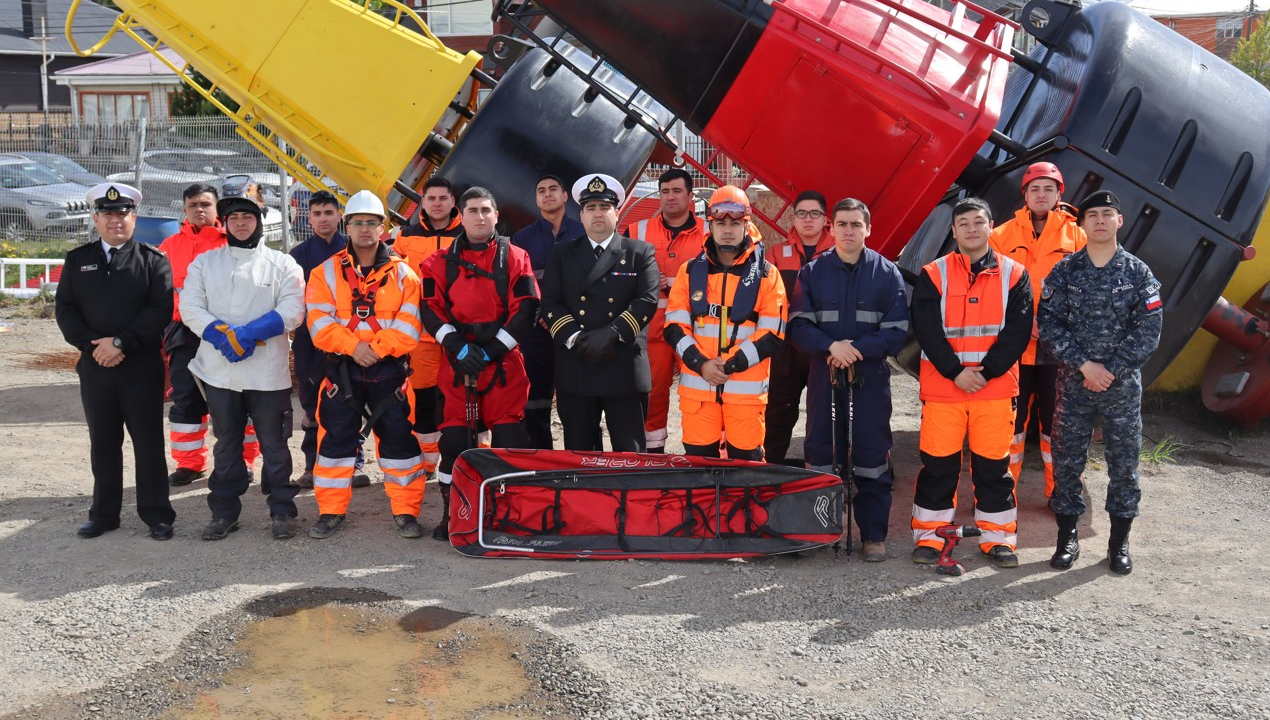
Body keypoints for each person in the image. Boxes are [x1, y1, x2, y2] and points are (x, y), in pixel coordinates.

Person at [1039, 190, 1162, 575]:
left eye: (1108, 214)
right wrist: (1084, 366)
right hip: (1074, 385)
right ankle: (1067, 538)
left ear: (1119, 221)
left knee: (1124, 465)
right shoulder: (1065, 271)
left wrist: (1110, 370)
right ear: (1082, 224)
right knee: (1066, 462)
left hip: (1121, 387)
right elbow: (1049, 324)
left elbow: (1149, 329)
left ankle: (1118, 542)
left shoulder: (1138, 273)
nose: (1100, 220)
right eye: (1092, 215)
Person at [910, 197, 1032, 568]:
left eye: (978, 222)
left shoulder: (1015, 274)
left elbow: (1018, 332)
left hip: (994, 391)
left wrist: (985, 372)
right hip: (944, 391)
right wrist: (956, 372)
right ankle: (930, 538)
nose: (971, 229)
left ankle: (998, 540)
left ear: (991, 226)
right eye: (963, 223)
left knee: (994, 469)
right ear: (954, 231)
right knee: (938, 468)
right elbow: (926, 330)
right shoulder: (934, 273)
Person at [180, 189, 306, 540]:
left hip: (267, 374)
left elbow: (293, 309)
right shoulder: (205, 263)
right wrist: (222, 336)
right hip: (219, 372)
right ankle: (224, 512)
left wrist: (249, 334)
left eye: (247, 217)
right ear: (225, 222)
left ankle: (282, 510)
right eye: (233, 218)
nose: (240, 223)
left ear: (259, 222)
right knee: (226, 444)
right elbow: (190, 306)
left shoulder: (283, 264)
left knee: (275, 445)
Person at [787, 198, 908, 562]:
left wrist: (855, 350)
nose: (849, 230)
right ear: (832, 228)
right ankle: (819, 530)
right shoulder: (812, 272)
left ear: (868, 229)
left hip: (869, 377)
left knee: (871, 454)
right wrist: (831, 347)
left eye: (856, 224)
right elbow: (797, 326)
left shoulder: (887, 273)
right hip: (824, 375)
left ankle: (873, 536)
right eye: (842, 224)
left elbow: (897, 331)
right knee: (822, 452)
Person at [55, 183, 175, 540]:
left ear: (134, 218)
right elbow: (66, 309)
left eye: (122, 214)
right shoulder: (78, 260)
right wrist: (94, 347)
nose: (115, 221)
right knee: (103, 443)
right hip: (96, 367)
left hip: (140, 367)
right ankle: (104, 514)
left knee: (148, 444)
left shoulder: (153, 261)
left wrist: (120, 342)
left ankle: (157, 515)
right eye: (107, 214)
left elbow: (159, 310)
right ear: (95, 219)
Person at [305, 190, 426, 539]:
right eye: (357, 222)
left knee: (400, 441)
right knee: (334, 441)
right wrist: (354, 349)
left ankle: (406, 511)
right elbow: (318, 323)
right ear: (347, 226)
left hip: (389, 372)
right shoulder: (324, 273)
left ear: (382, 227)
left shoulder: (405, 275)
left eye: (371, 223)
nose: (364, 229)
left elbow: (409, 327)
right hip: (342, 371)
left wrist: (372, 350)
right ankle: (330, 511)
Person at [421, 186, 538, 539]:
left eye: (486, 210)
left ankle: (509, 513)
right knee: (453, 443)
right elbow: (430, 309)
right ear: (462, 215)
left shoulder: (516, 257)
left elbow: (526, 309)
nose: (480, 216)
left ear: (496, 215)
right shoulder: (438, 262)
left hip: (503, 366)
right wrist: (457, 347)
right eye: (472, 210)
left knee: (509, 442)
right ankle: (452, 513)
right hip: (458, 367)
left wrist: (491, 351)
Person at [663, 185, 786, 461]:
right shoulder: (689, 271)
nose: (727, 229)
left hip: (745, 394)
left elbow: (773, 334)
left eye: (735, 223)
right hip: (698, 392)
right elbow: (674, 327)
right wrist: (701, 364)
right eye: (721, 223)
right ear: (710, 225)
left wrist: (729, 366)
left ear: (746, 225)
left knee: (747, 467)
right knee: (699, 465)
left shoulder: (767, 275)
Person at [541, 173, 659, 451]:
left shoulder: (639, 252)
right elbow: (551, 303)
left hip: (623, 364)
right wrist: (577, 338)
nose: (598, 213)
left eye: (605, 207)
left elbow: (647, 300)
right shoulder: (562, 253)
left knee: (629, 455)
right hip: (577, 364)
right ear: (581, 216)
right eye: (590, 207)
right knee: (579, 454)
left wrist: (612, 333)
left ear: (617, 214)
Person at [990, 162, 1087, 499]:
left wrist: (1051, 324)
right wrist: (1022, 321)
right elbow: (991, 287)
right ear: (1025, 195)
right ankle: (1000, 494)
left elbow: (1087, 291)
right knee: (1008, 427)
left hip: (1060, 350)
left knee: (1058, 425)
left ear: (1060, 194)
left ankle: (1061, 492)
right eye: (1035, 189)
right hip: (1014, 347)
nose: (1041, 195)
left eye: (1048, 189)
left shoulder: (1078, 237)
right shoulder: (1001, 236)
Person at [159, 183, 260, 487]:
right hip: (184, 333)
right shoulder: (168, 246)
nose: (199, 210)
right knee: (185, 398)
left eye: (205, 204)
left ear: (216, 209)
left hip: (226, 331)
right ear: (184, 209)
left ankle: (243, 460)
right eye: (193, 205)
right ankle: (189, 463)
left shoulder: (232, 242)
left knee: (237, 397)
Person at [289, 191, 368, 489]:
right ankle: (312, 466)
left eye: (329, 213)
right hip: (310, 342)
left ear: (339, 217)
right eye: (317, 214)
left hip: (349, 340)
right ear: (309, 219)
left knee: (351, 400)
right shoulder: (297, 256)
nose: (323, 219)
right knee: (312, 404)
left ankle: (353, 464)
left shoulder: (356, 251)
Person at [625, 168, 707, 453]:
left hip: (695, 330)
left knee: (699, 393)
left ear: (690, 196)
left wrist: (675, 282)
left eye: (677, 191)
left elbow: (723, 277)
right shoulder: (636, 231)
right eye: (665, 191)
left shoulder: (710, 233)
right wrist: (644, 280)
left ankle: (701, 452)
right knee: (651, 393)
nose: (670, 197)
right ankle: (652, 454)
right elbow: (621, 275)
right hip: (651, 330)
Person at [394, 177, 464, 481]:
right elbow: (393, 280)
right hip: (421, 334)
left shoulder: (468, 234)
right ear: (423, 202)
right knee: (423, 398)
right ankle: (426, 461)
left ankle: (467, 459)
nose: (437, 203)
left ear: (453, 201)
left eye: (443, 198)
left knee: (462, 396)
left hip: (461, 332)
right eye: (431, 198)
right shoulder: (405, 237)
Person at [511, 175, 585, 449]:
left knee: (579, 402)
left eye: (553, 189)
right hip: (537, 333)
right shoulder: (522, 239)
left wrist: (565, 319)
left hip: (577, 331)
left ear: (565, 196)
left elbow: (591, 283)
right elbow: (521, 287)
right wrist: (543, 316)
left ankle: (580, 459)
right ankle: (541, 459)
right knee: (535, 401)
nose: (547, 194)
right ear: (536, 199)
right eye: (541, 190)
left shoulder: (583, 233)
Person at [766, 190, 836, 466]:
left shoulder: (839, 253)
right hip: (786, 347)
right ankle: (770, 468)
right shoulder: (775, 254)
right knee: (778, 409)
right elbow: (767, 297)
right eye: (802, 213)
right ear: (793, 219)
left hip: (825, 346)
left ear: (825, 219)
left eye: (814, 213)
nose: (808, 219)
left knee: (824, 413)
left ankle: (823, 471)